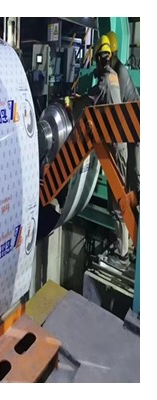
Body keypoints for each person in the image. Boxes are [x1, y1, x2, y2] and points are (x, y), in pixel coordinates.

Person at [89, 35, 129, 267]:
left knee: (117, 201)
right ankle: (123, 244)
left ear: (99, 58)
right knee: (119, 196)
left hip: (115, 147)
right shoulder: (114, 76)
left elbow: (91, 99)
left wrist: (73, 101)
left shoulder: (105, 79)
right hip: (120, 144)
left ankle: (122, 254)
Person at [107, 31, 140, 201]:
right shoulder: (115, 70)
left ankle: (136, 209)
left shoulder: (119, 72)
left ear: (112, 54)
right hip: (130, 125)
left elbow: (115, 103)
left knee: (134, 171)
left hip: (136, 126)